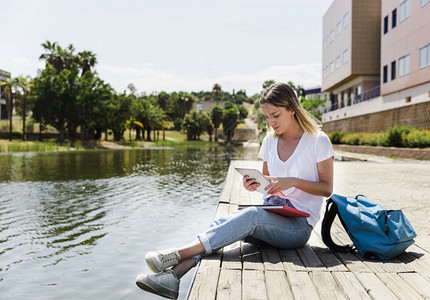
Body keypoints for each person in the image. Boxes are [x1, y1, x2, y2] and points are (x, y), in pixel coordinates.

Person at [135, 82, 334, 299]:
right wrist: (258, 185)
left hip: (298, 227)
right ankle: (173, 277)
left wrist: (293, 181)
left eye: (275, 115)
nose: (271, 122)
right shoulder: (269, 140)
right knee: (224, 224)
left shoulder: (317, 141)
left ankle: (175, 254)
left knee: (249, 217)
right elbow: (270, 185)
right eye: (267, 117)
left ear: (292, 109)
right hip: (272, 213)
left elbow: (326, 188)